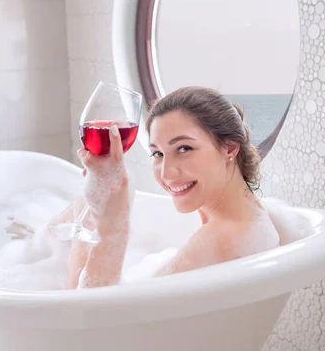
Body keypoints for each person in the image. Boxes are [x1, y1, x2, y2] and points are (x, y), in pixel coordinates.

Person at [22, 86, 280, 289]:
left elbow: (96, 327)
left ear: (230, 148)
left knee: (90, 210)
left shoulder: (221, 238)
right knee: (83, 205)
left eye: (184, 148)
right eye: (157, 154)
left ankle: (24, 238)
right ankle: (25, 237)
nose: (166, 173)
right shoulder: (236, 211)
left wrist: (112, 228)